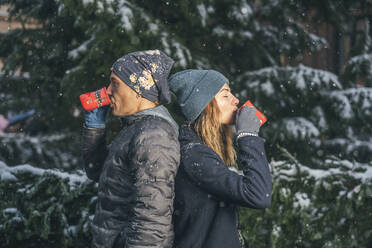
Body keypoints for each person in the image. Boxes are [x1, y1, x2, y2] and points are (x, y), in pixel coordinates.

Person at [81, 50, 180, 248]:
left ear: (139, 90)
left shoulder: (154, 135)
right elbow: (97, 172)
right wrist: (95, 128)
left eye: (115, 83)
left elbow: (152, 220)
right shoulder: (136, 128)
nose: (108, 91)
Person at [168, 69, 273, 248]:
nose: (236, 100)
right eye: (225, 95)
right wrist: (248, 136)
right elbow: (258, 195)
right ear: (205, 106)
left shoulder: (200, 150)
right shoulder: (195, 155)